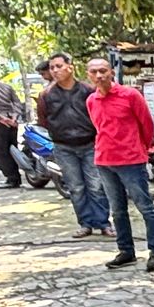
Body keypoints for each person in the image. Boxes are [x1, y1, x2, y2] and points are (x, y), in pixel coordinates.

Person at [84, 57, 154, 271]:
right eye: (94, 72)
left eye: (103, 70)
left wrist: (142, 148)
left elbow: (147, 125)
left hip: (131, 160)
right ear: (88, 75)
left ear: (111, 72)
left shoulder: (130, 95)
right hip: (104, 160)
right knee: (117, 210)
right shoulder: (91, 100)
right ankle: (126, 251)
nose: (99, 75)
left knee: (145, 206)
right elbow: (98, 127)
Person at [39, 54, 112, 237]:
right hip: (63, 147)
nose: (55, 71)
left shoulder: (88, 91)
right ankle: (85, 224)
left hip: (89, 144)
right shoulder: (46, 95)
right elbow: (44, 120)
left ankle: (104, 223)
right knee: (76, 187)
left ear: (70, 67)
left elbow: (99, 115)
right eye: (52, 67)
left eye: (58, 66)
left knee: (96, 185)